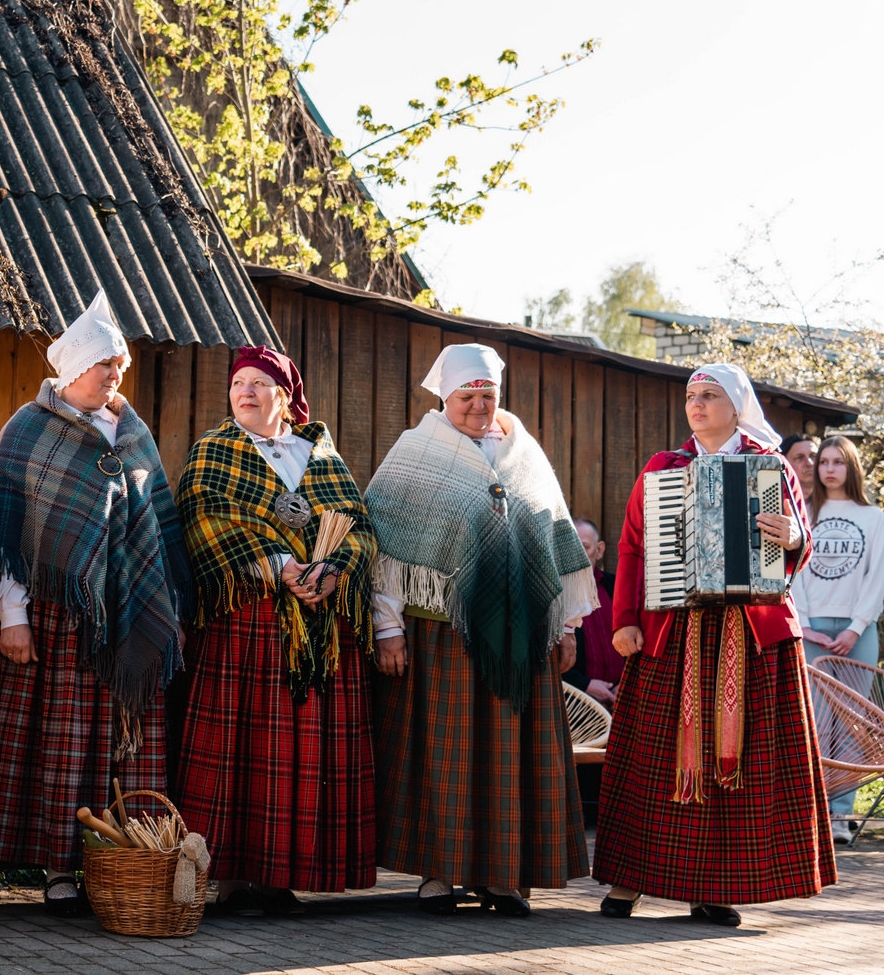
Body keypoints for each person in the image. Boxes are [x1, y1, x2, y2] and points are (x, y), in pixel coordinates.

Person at [0, 290, 191, 917]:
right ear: (70, 369)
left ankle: (119, 860)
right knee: (57, 748)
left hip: (124, 616)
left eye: (118, 364)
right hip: (56, 618)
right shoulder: (28, 428)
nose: (113, 374)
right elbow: (2, 532)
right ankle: (58, 868)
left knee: (122, 745)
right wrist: (12, 615)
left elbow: (156, 528)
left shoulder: (134, 433)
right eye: (102, 364)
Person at [596, 363, 835, 927]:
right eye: (690, 396)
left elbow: (796, 541)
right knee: (653, 760)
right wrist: (624, 619)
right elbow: (633, 547)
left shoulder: (770, 466)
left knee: (744, 764)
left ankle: (716, 886)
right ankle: (631, 879)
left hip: (751, 636)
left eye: (709, 396)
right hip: (672, 630)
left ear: (736, 406)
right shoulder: (664, 468)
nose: (696, 405)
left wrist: (796, 538)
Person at [364, 343, 597, 918]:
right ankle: (439, 875)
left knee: (508, 758)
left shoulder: (525, 454)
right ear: (446, 396)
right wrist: (387, 628)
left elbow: (556, 542)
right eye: (466, 396)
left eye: (487, 395)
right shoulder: (415, 453)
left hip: (524, 637)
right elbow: (385, 551)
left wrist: (565, 626)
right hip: (443, 631)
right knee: (443, 756)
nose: (477, 406)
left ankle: (502, 877)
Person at [173, 347, 378, 917]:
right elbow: (203, 519)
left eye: (260, 383)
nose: (246, 392)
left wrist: (334, 571)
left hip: (318, 630)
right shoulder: (214, 452)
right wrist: (276, 564)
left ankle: (283, 873)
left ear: (286, 397)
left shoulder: (323, 457)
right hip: (248, 621)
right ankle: (234, 877)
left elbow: (359, 528)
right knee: (241, 749)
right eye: (239, 382)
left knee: (298, 753)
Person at [793, 435, 883, 843]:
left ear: (851, 467)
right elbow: (792, 572)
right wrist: (805, 623)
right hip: (811, 630)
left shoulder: (874, 517)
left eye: (837, 462)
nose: (828, 469)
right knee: (814, 721)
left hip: (856, 632)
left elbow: (877, 578)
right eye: (823, 461)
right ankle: (810, 811)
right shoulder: (804, 512)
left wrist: (856, 626)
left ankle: (841, 816)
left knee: (850, 724)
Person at [565, 519, 623, 710]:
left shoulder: (617, 587)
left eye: (585, 547)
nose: (578, 556)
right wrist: (585, 685)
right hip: (576, 703)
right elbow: (551, 654)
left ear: (599, 550)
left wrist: (625, 684)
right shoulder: (557, 594)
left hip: (622, 699)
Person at [781, 434, 820, 508]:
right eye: (799, 458)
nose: (809, 463)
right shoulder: (779, 504)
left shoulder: (835, 501)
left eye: (813, 456)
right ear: (785, 464)